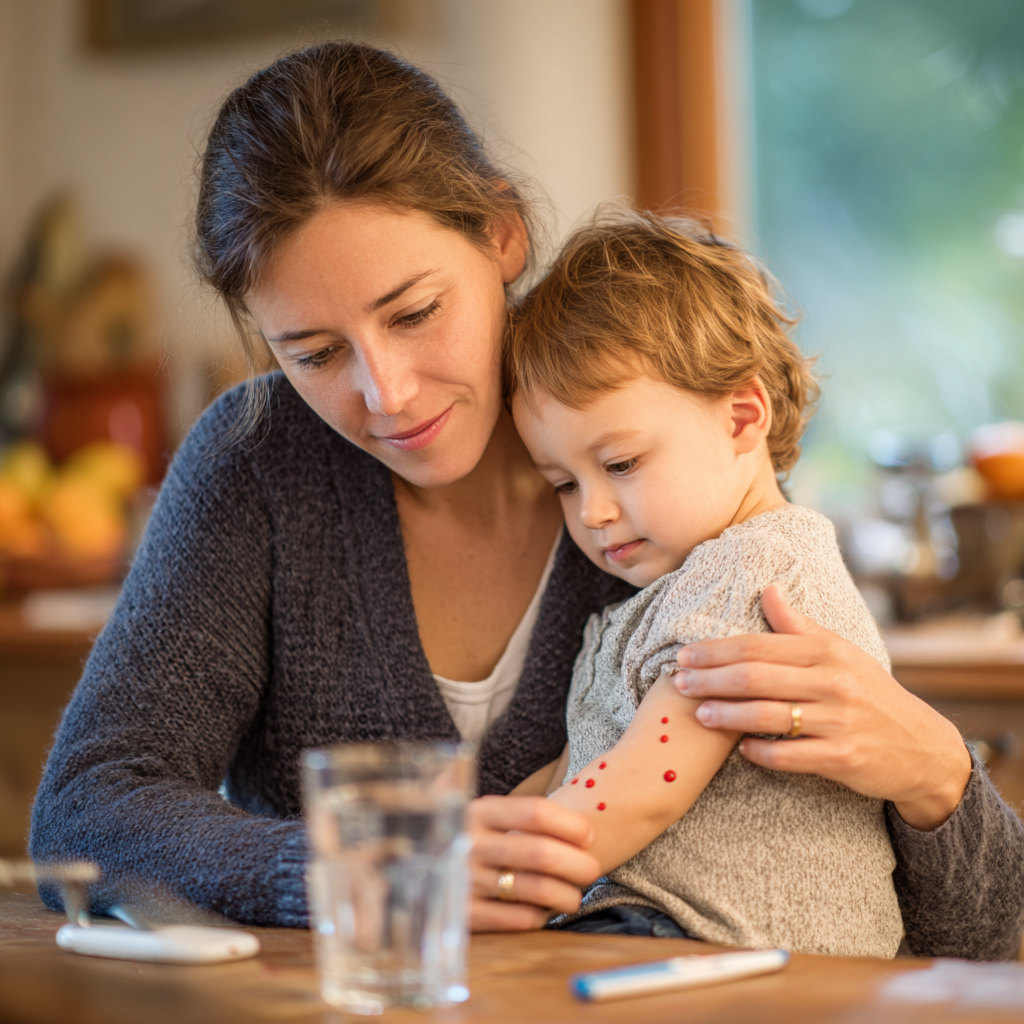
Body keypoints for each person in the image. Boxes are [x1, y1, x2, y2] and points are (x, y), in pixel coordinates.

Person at [28, 40, 1024, 958]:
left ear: (502, 235)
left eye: (415, 312)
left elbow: (984, 944)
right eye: (315, 353)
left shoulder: (669, 473)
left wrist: (936, 774)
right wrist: (354, 869)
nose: (387, 393)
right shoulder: (258, 462)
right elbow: (86, 811)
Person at [505, 209, 900, 956]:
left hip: (731, 942)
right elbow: (579, 768)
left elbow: (640, 789)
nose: (591, 511)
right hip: (681, 932)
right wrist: (471, 833)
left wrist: (481, 879)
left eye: (620, 464)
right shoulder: (684, 585)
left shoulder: (752, 571)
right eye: (563, 483)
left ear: (743, 417)